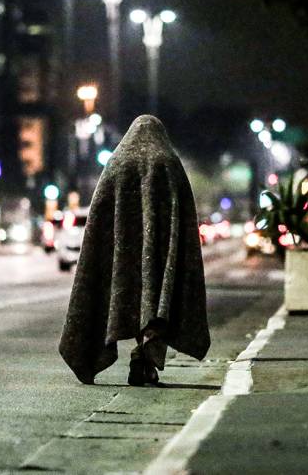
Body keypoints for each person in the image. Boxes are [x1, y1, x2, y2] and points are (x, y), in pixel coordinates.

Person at [59, 115, 210, 385]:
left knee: (123, 291)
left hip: (120, 254)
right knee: (154, 293)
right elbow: (183, 216)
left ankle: (135, 359)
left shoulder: (117, 163)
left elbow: (100, 217)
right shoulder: (169, 162)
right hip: (160, 248)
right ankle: (145, 358)